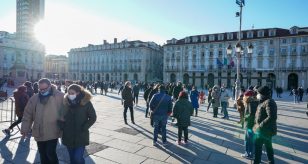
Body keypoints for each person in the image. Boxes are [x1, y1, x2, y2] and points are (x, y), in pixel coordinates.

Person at [21, 78, 64, 164]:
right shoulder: (34, 98)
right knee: (42, 154)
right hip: (39, 130)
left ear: (50, 86)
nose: (42, 91)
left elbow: (65, 111)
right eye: (40, 89)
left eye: (44, 89)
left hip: (53, 130)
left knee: (50, 153)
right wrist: (25, 129)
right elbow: (27, 114)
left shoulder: (60, 96)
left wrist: (63, 124)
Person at [61, 84, 97, 164]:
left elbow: (93, 117)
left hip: (80, 135)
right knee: (72, 159)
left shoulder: (86, 102)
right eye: (68, 93)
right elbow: (60, 116)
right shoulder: (65, 102)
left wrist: (84, 127)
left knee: (78, 158)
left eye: (72, 93)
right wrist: (62, 126)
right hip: (68, 135)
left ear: (78, 93)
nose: (70, 95)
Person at [253, 86, 277, 164]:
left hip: (264, 130)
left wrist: (261, 125)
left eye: (258, 93)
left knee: (258, 148)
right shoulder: (263, 101)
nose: (257, 95)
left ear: (262, 94)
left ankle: (257, 162)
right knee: (268, 147)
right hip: (263, 130)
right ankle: (270, 161)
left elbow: (272, 116)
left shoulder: (269, 102)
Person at [241, 89, 259, 159]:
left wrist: (245, 118)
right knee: (251, 140)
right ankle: (251, 153)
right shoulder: (255, 102)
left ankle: (249, 154)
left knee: (248, 140)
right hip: (253, 125)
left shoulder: (250, 103)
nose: (243, 97)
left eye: (245, 95)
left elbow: (251, 114)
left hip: (249, 124)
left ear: (247, 96)